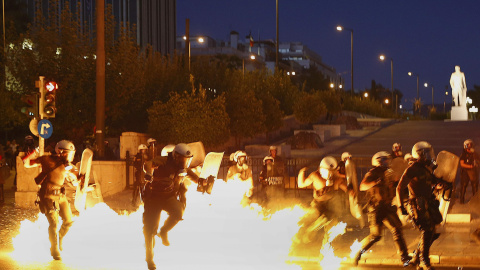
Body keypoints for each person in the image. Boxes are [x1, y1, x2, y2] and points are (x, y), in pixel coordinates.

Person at [142, 143, 200, 270]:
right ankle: (150, 259)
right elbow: (147, 164)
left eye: (187, 159)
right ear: (176, 156)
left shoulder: (182, 168)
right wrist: (149, 172)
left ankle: (163, 232)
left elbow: (191, 175)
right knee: (149, 230)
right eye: (183, 159)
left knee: (179, 212)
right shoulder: (162, 161)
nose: (185, 162)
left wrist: (201, 181)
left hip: (168, 197)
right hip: (154, 198)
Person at [23, 140, 79, 260]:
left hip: (61, 196)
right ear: (62, 152)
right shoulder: (46, 160)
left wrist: (80, 180)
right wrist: (31, 154)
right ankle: (54, 249)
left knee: (68, 221)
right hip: (48, 196)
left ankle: (59, 238)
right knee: (54, 223)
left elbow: (75, 180)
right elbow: (27, 163)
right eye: (69, 153)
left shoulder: (67, 165)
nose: (71, 156)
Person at [353, 151, 411, 266]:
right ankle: (359, 252)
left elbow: (392, 186)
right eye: (384, 160)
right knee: (375, 236)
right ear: (378, 161)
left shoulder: (388, 172)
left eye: (387, 160)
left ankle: (404, 257)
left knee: (397, 230)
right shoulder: (372, 173)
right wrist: (375, 182)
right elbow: (362, 186)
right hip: (376, 208)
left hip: (388, 206)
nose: (387, 162)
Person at [397, 141, 446, 270]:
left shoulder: (427, 168)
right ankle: (424, 261)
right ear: (420, 154)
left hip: (428, 202)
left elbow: (432, 182)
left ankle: (416, 257)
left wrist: (441, 184)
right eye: (427, 153)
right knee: (427, 230)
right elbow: (399, 187)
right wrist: (401, 206)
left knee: (432, 231)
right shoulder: (412, 169)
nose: (430, 155)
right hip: (417, 204)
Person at [295, 156, 352, 244]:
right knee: (315, 218)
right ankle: (304, 235)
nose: (329, 174)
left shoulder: (336, 178)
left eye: (331, 172)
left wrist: (352, 191)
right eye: (327, 171)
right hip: (317, 204)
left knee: (331, 227)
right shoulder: (315, 176)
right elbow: (301, 184)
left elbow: (347, 190)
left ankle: (327, 249)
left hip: (331, 205)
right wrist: (302, 171)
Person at [459, 139, 479, 204]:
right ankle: (461, 200)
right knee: (464, 185)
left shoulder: (474, 154)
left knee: (475, 186)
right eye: (468, 144)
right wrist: (470, 166)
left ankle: (475, 200)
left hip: (473, 171)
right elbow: (462, 164)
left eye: (471, 144)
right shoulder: (464, 154)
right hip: (465, 171)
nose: (470, 146)